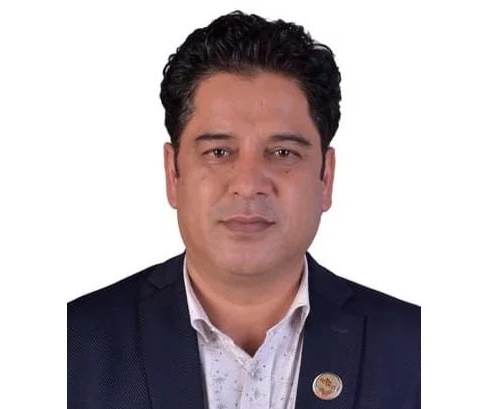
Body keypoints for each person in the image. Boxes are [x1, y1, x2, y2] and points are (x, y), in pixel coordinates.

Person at [68, 10, 420, 409]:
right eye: (219, 152)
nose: (249, 183)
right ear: (173, 173)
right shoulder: (73, 345)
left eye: (283, 152)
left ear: (325, 177)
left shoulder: (416, 351)